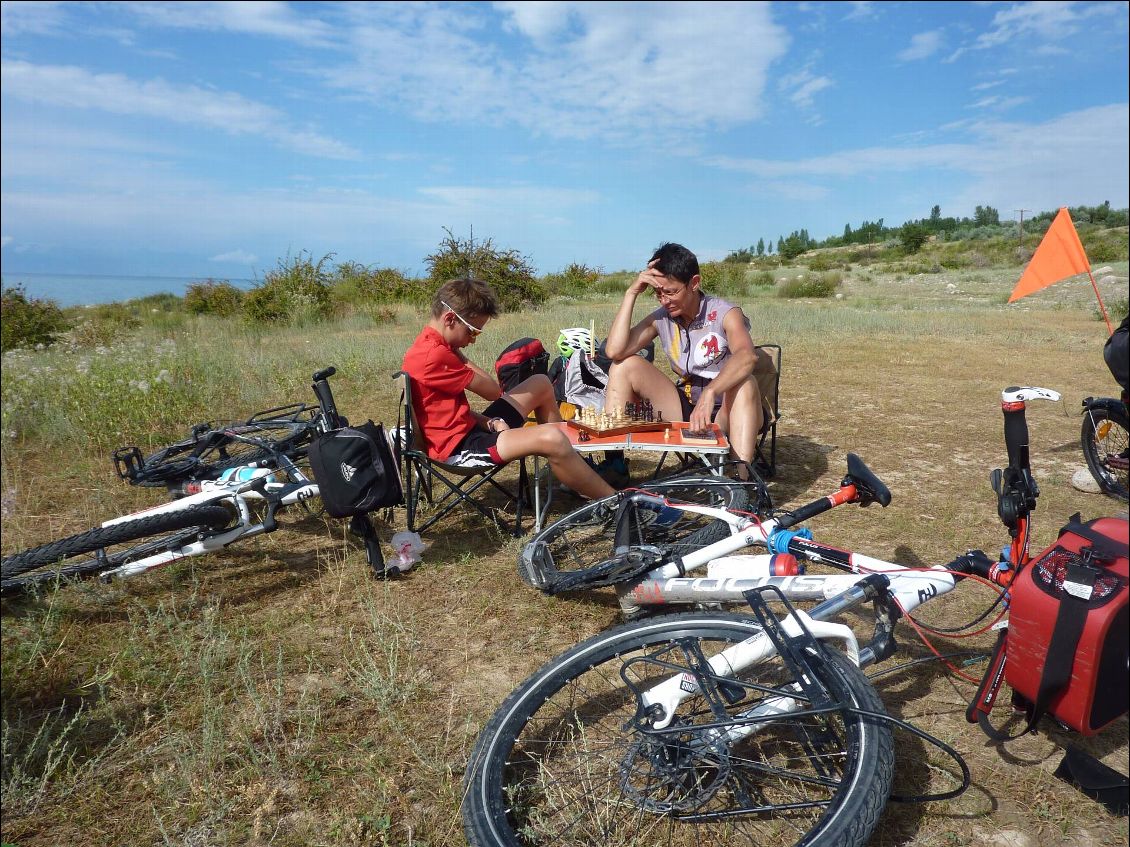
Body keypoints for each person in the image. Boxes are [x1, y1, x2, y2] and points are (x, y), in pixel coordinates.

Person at [402, 277, 616, 502]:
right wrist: (458, 354)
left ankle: (571, 466)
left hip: (470, 431)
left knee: (541, 383)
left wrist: (490, 422)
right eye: (473, 332)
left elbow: (443, 413)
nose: (472, 341)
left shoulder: (427, 344)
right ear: (450, 319)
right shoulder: (436, 355)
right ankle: (615, 502)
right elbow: (493, 391)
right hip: (461, 449)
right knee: (552, 438)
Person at [603, 242, 774, 477]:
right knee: (624, 366)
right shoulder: (662, 318)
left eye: (671, 292)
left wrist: (711, 392)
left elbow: (747, 356)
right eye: (658, 293)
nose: (664, 300)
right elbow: (615, 351)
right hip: (685, 406)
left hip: (729, 405)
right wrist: (631, 293)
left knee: (745, 384)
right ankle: (615, 463)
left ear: (694, 283)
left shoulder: (724, 312)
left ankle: (739, 484)